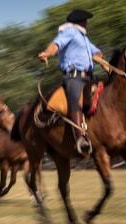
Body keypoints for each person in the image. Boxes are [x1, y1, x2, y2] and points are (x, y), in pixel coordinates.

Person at [38, 9, 103, 153]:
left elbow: (97, 52)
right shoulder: (70, 32)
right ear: (79, 22)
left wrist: (99, 58)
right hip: (74, 77)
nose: (87, 23)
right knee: (75, 100)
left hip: (89, 76)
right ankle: (81, 137)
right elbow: (56, 45)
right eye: (85, 21)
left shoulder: (84, 38)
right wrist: (47, 53)